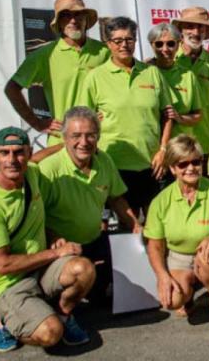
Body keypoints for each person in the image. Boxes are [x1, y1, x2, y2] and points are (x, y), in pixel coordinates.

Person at [0, 127, 96, 352]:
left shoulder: (30, 175)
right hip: (4, 284)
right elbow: (3, 265)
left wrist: (72, 144)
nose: (11, 160)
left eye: (19, 152)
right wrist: (56, 252)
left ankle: (62, 314)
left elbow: (40, 157)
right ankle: (3, 320)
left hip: (36, 269)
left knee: (83, 269)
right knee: (50, 333)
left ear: (28, 153)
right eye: (4, 152)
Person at [38, 107, 140, 307]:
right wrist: (52, 237)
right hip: (61, 248)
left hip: (93, 240)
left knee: (139, 250)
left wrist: (136, 225)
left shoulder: (104, 161)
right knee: (82, 278)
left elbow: (116, 199)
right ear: (64, 138)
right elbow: (34, 216)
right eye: (76, 136)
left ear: (98, 137)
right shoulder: (48, 169)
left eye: (90, 135)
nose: (84, 142)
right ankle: (63, 311)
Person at [77, 16, 175, 217]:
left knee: (156, 224)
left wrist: (163, 149)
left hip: (151, 164)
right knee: (124, 227)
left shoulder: (152, 73)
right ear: (108, 43)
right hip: (112, 166)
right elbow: (83, 121)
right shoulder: (95, 77)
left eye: (129, 39)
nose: (124, 45)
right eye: (118, 40)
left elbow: (167, 115)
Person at [144, 135, 209, 333]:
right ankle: (188, 294)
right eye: (183, 164)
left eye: (196, 162)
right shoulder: (160, 201)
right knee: (172, 301)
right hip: (179, 257)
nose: (191, 168)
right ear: (172, 168)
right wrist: (162, 276)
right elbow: (155, 245)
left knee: (206, 255)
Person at [6, 0, 109, 146]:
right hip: (61, 142)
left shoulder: (104, 52)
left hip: (99, 140)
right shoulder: (45, 55)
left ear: (86, 19)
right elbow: (12, 88)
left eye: (78, 14)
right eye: (66, 15)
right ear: (59, 23)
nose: (73, 20)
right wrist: (36, 122)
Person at [172, 6, 209, 155]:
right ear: (181, 30)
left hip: (207, 142)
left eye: (200, 27)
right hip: (175, 144)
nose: (195, 32)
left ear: (205, 31)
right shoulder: (169, 59)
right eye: (190, 26)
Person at [148, 23, 204, 147]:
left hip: (180, 146)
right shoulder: (144, 73)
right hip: (152, 145)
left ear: (178, 44)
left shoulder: (188, 75)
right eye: (159, 44)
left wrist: (179, 118)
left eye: (170, 44)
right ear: (152, 45)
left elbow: (198, 115)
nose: (165, 49)